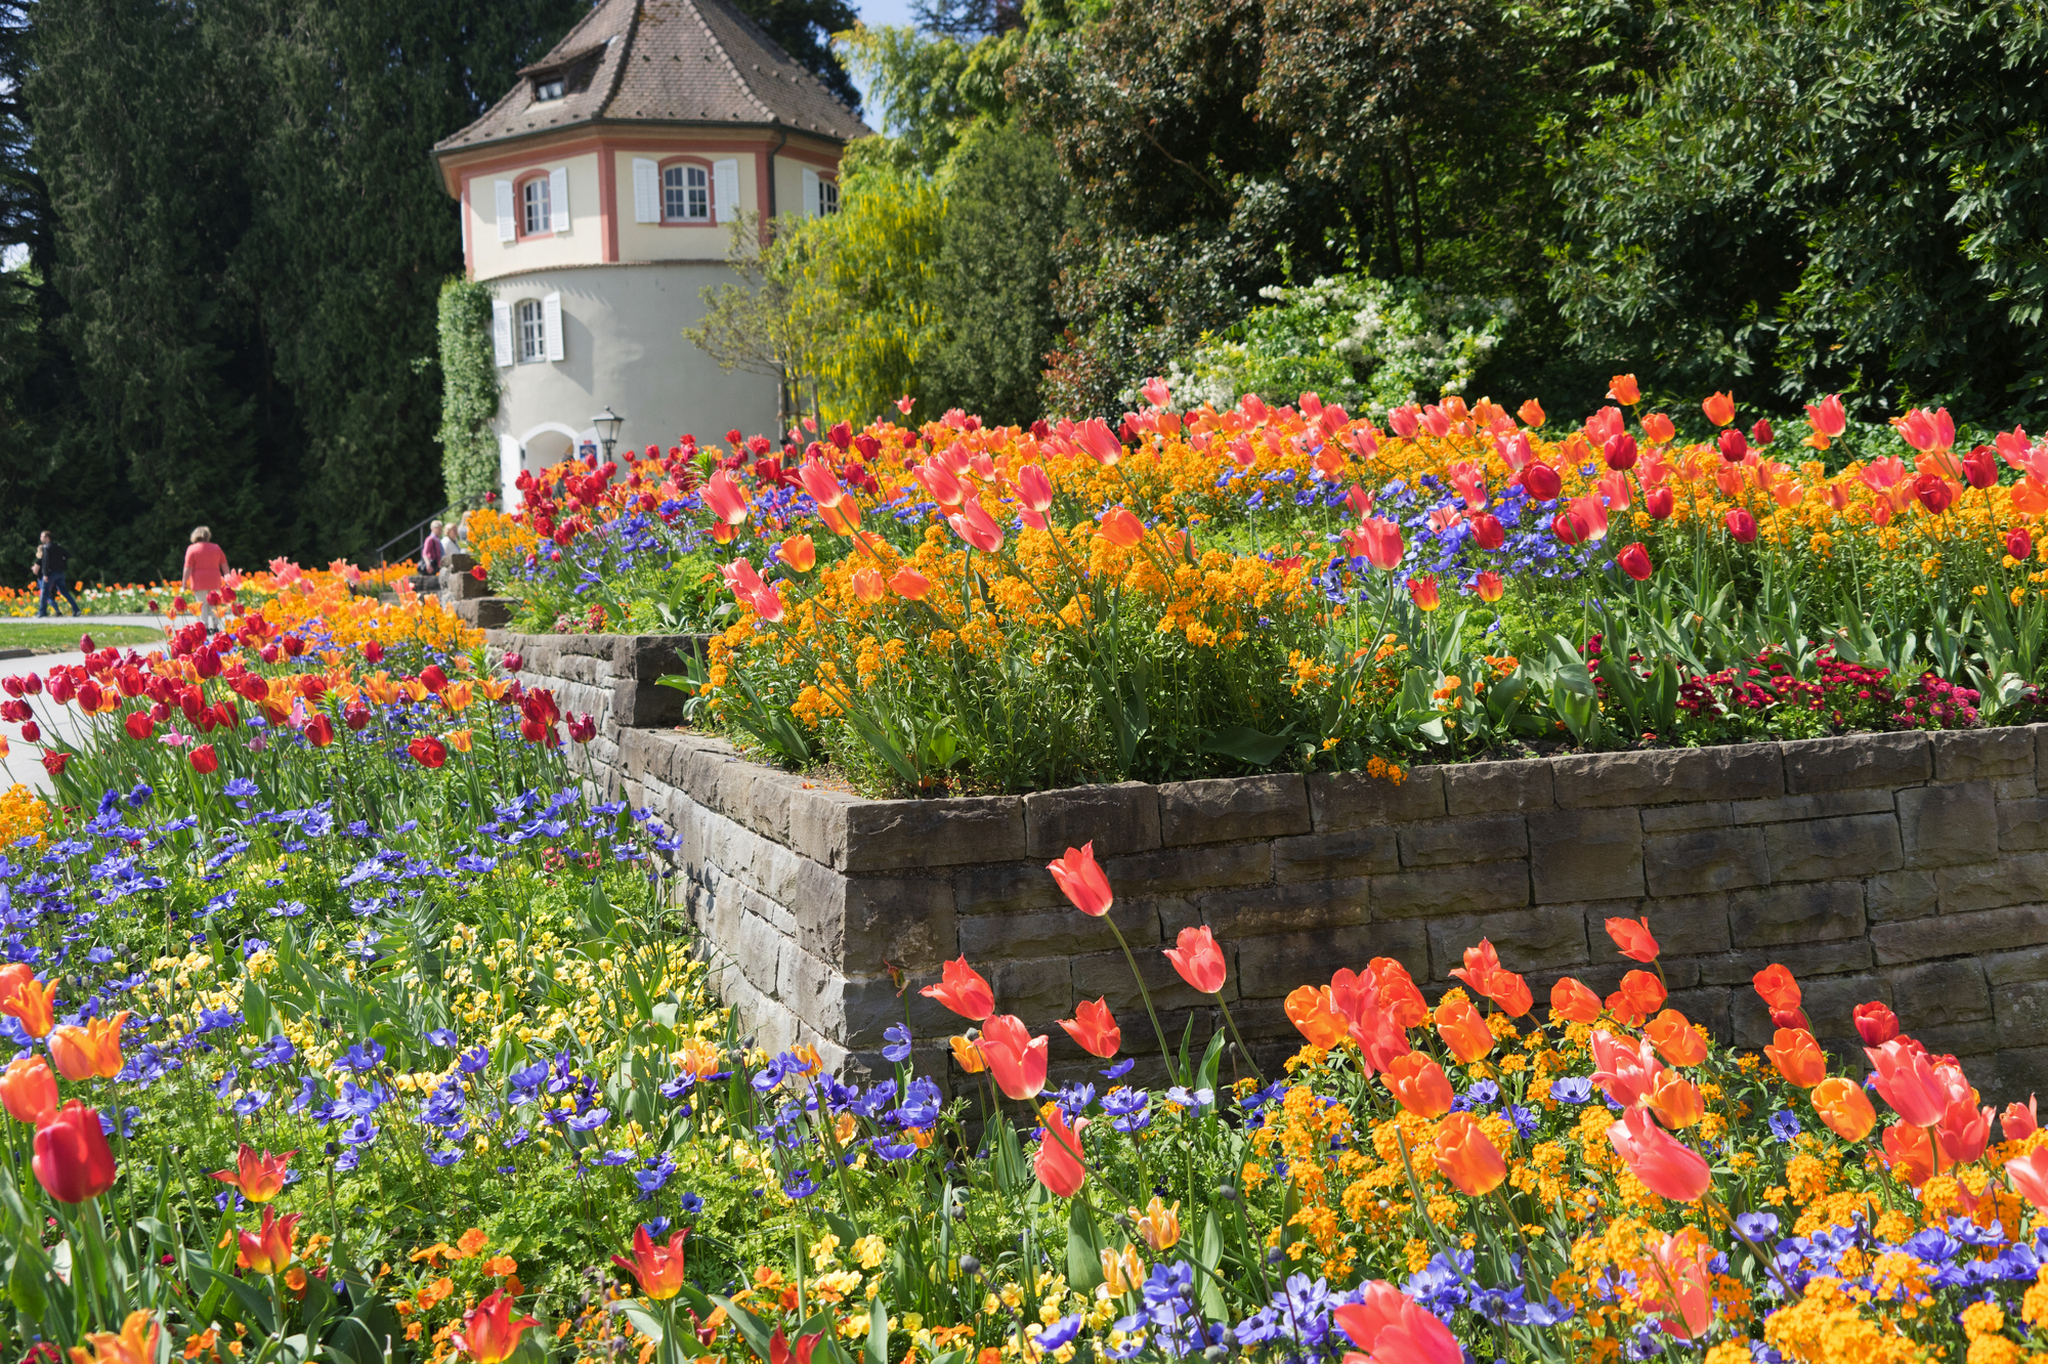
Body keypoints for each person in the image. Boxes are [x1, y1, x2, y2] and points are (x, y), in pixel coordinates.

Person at [182, 526, 229, 629]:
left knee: (201, 605)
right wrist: (228, 579)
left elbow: (188, 567)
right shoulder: (216, 548)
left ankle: (204, 627)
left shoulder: (192, 549)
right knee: (214, 604)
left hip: (199, 581)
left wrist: (184, 582)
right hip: (214, 580)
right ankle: (216, 625)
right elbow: (224, 565)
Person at [33, 531, 79, 618]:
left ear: (47, 538)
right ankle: (76, 609)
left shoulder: (46, 548)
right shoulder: (58, 546)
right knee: (64, 592)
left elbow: (46, 561)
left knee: (44, 592)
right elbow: (68, 555)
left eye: (42, 537)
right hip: (60, 573)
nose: (40, 538)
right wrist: (62, 563)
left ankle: (42, 612)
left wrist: (45, 574)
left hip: (50, 573)